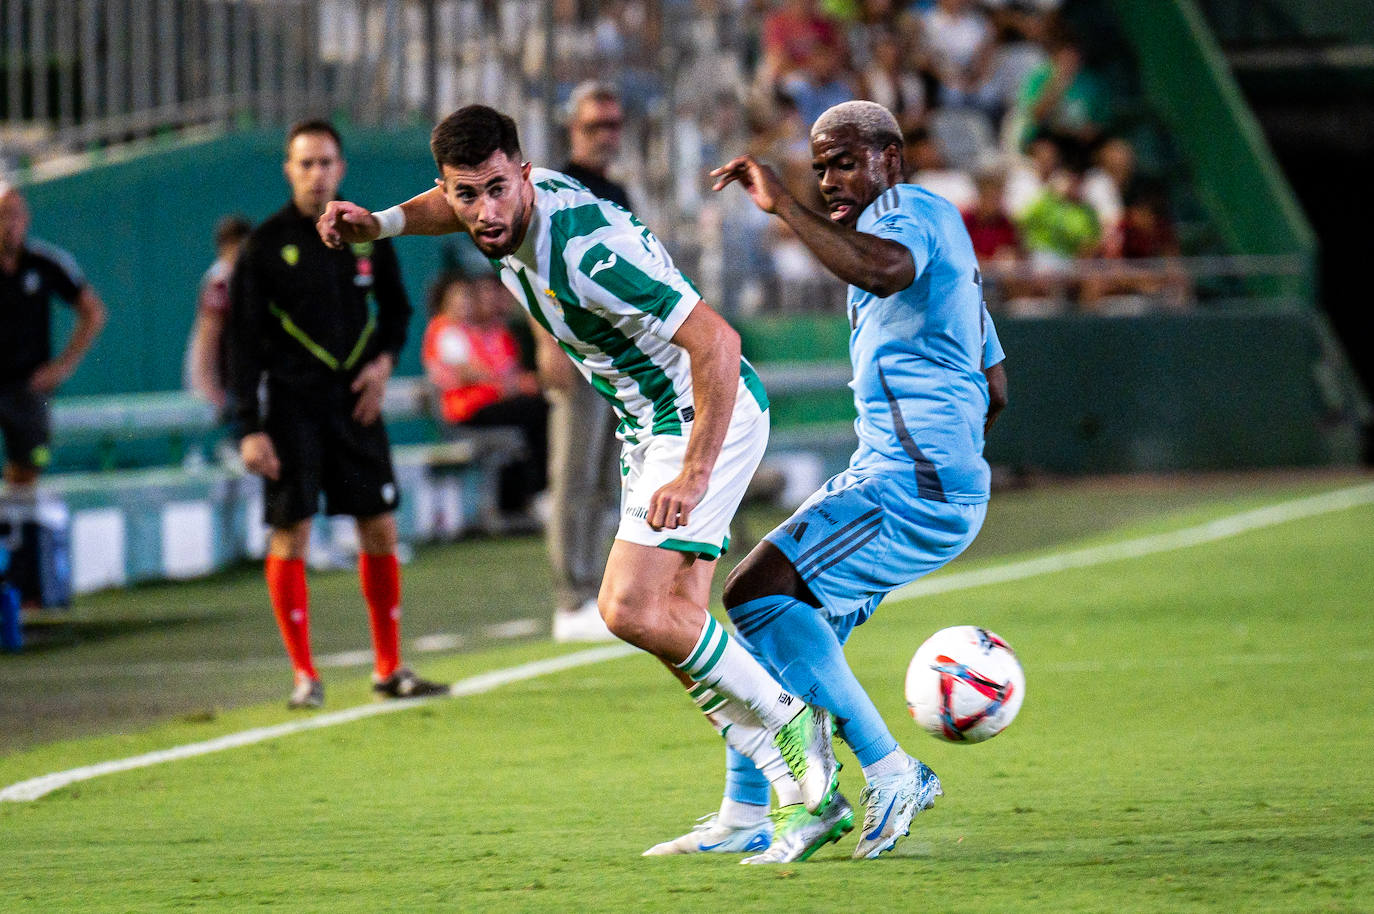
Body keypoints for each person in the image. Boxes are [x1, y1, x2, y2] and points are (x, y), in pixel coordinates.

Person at [316, 103, 839, 838]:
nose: (483, 211)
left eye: (497, 189)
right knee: (673, 626)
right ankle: (763, 801)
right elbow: (446, 205)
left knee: (626, 607)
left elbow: (717, 343)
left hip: (697, 413)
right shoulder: (494, 207)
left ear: (525, 175)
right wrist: (380, 224)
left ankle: (793, 723)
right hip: (647, 421)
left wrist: (693, 472)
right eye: (468, 194)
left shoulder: (588, 253)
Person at [693, 100, 1008, 862]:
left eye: (844, 161)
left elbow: (882, 267)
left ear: (890, 160)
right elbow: (996, 385)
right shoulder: (936, 232)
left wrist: (785, 207)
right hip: (914, 477)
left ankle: (892, 770)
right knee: (779, 648)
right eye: (819, 165)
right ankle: (747, 811)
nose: (829, 178)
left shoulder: (905, 217)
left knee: (752, 594)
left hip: (907, 482)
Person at [227, 119, 445, 710]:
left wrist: (381, 365)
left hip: (357, 403)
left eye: (326, 162)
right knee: (291, 530)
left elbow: (398, 312)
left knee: (379, 525)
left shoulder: (366, 233)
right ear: (289, 170)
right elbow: (241, 344)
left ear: (341, 168)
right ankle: (304, 674)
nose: (317, 173)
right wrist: (248, 427)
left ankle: (388, 666)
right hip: (292, 407)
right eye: (305, 164)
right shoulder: (265, 246)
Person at [548, 81, 632, 642]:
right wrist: (544, 342)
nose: (605, 136)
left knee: (607, 477)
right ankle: (569, 595)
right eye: (593, 126)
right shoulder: (556, 186)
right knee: (573, 476)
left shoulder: (616, 189)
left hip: (617, 351)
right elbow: (532, 266)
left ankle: (597, 589)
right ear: (571, 130)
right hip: (575, 347)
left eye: (612, 125)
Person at [0, 181, 107, 490]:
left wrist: (63, 366)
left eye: (16, 214)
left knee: (30, 466)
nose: (10, 224)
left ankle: (20, 533)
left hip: (28, 385)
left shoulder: (45, 263)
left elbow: (93, 311)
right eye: (4, 215)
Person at [421, 270, 548, 514]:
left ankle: (526, 498)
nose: (464, 303)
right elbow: (474, 372)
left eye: (466, 297)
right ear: (444, 301)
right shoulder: (445, 329)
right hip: (464, 412)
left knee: (535, 411)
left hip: (483, 404)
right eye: (457, 297)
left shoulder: (472, 330)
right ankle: (538, 492)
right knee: (535, 410)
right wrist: (512, 384)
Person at [185, 214, 252, 416]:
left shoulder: (246, 278)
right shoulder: (219, 283)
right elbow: (206, 340)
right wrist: (209, 390)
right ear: (226, 248)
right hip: (220, 385)